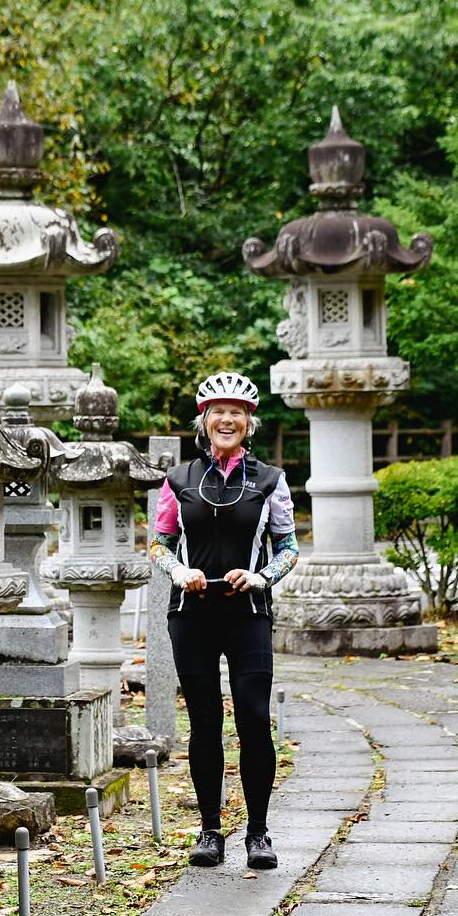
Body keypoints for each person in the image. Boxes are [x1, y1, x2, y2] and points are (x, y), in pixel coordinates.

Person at [147, 371, 298, 869]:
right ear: (204, 420)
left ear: (249, 423)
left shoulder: (271, 481)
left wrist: (262, 578)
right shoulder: (179, 480)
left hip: (247, 612)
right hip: (192, 614)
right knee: (204, 722)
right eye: (219, 411)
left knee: (254, 720)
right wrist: (179, 571)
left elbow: (290, 548)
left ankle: (258, 831)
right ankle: (211, 830)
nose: (228, 419)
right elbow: (158, 546)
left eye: (238, 412)